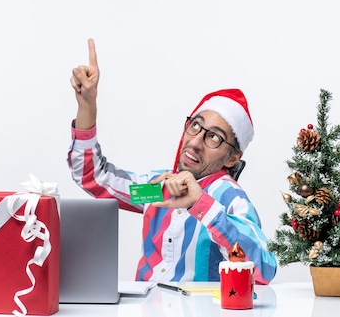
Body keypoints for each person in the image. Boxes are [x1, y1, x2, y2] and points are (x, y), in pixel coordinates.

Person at [67, 38, 277, 284]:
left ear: (232, 157)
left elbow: (264, 268)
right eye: (195, 126)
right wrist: (87, 106)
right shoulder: (158, 189)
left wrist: (201, 204)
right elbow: (93, 177)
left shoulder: (231, 199)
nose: (196, 142)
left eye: (214, 137)